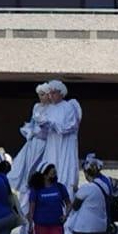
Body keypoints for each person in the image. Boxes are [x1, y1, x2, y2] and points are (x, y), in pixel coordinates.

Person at [9, 79, 83, 213]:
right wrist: (42, 126)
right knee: (46, 170)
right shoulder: (49, 108)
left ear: (61, 93)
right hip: (51, 144)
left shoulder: (68, 107)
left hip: (64, 146)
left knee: (64, 173)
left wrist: (53, 124)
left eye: (53, 93)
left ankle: (65, 206)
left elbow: (71, 126)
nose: (51, 96)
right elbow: (44, 131)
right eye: (50, 93)